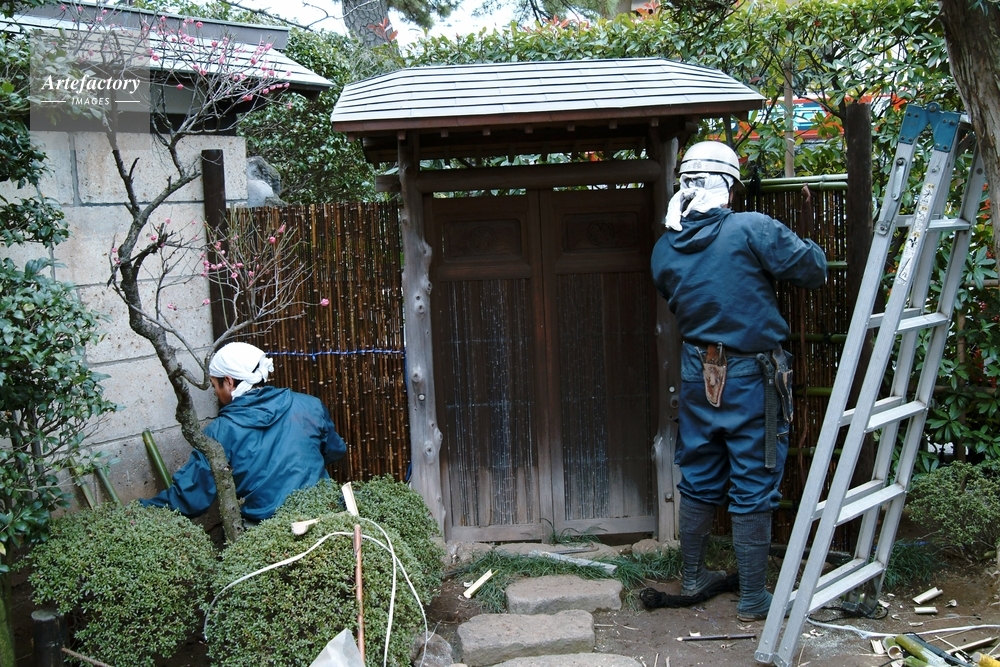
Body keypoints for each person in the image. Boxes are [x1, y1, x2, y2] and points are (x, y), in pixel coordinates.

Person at [650, 141, 828, 621]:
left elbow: (674, 289)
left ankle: (693, 577)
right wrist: (807, 238)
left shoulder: (665, 247)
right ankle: (753, 598)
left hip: (698, 371)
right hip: (752, 376)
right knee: (754, 478)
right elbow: (813, 270)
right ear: (728, 186)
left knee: (700, 472)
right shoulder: (752, 228)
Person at [142, 342, 347, 524]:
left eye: (214, 386)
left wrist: (140, 510)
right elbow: (335, 450)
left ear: (229, 382)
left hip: (268, 529)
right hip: (328, 515)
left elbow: (190, 497)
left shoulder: (220, 431)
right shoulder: (310, 405)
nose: (216, 393)